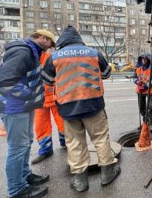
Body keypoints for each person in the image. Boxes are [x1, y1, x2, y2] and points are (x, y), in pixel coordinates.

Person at [42, 25, 120, 192]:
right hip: (93, 105)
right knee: (100, 139)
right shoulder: (93, 53)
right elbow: (106, 73)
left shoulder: (53, 57)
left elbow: (48, 81)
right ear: (79, 39)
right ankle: (107, 173)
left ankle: (80, 181)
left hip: (68, 107)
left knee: (75, 143)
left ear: (63, 41)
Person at [0, 29, 56, 198]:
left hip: (24, 107)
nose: (51, 47)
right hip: (14, 108)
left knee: (26, 142)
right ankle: (17, 190)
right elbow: (5, 81)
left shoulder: (31, 51)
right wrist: (29, 95)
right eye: (50, 42)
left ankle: (25, 175)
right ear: (43, 38)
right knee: (17, 147)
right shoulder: (23, 52)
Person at [31, 49, 65, 164]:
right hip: (38, 98)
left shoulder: (50, 56)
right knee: (41, 125)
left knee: (62, 122)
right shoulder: (29, 57)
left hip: (54, 96)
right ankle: (46, 149)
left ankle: (66, 143)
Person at [133, 54, 152, 132]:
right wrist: (137, 82)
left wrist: (145, 86)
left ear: (148, 60)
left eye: (145, 59)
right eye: (142, 59)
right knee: (141, 108)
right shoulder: (138, 68)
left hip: (150, 91)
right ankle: (145, 122)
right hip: (140, 91)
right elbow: (134, 77)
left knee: (151, 107)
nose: (143, 60)